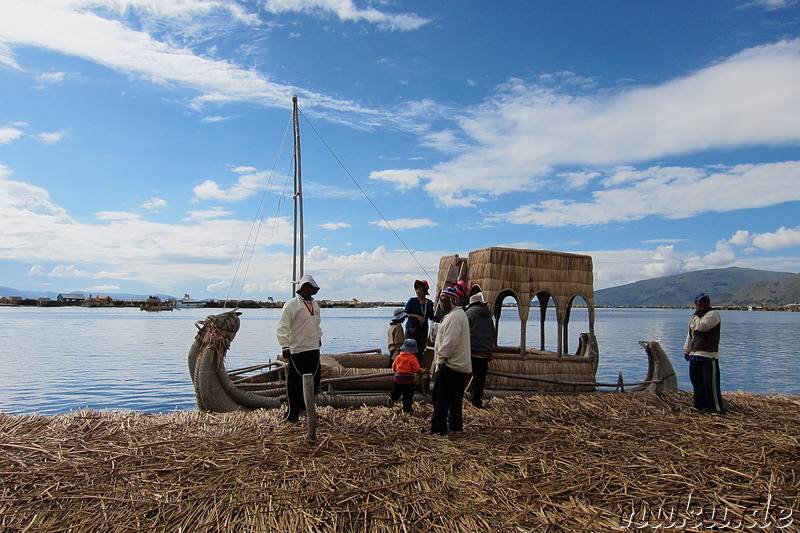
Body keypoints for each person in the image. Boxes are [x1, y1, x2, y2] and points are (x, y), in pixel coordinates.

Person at [276, 274, 322, 423]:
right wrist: (285, 345)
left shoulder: (315, 306)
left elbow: (317, 324)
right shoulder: (292, 305)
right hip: (297, 350)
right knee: (295, 384)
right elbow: (283, 326)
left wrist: (319, 338)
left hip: (313, 348)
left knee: (314, 381)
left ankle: (306, 408)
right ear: (301, 288)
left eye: (312, 288)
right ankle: (292, 413)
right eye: (306, 287)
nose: (309, 290)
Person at [429, 286, 472, 435]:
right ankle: (456, 427)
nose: (442, 304)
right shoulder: (458, 315)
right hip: (460, 365)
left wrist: (440, 359)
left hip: (452, 365)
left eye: (445, 300)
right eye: (441, 300)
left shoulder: (454, 318)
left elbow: (450, 342)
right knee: (454, 400)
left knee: (440, 398)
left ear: (453, 301)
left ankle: (438, 429)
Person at [683, 292, 723, 415]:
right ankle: (699, 405)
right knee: (697, 382)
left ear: (708, 303)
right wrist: (687, 350)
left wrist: (695, 316)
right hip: (695, 354)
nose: (702, 304)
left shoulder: (713, 315)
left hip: (708, 355)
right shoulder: (696, 318)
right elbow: (690, 335)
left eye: (705, 301)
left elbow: (701, 327)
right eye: (700, 301)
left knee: (710, 383)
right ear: (696, 303)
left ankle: (715, 408)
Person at [465, 292, 494, 408]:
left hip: (472, 351)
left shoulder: (469, 314)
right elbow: (493, 333)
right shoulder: (488, 316)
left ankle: (460, 397)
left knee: (463, 375)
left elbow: (463, 329)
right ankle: (477, 401)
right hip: (484, 352)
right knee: (480, 379)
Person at [404, 280, 437, 358]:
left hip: (423, 330)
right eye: (417, 289)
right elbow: (405, 313)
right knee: (409, 349)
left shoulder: (429, 303)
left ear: (425, 291)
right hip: (412, 329)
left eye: (420, 289)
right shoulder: (412, 301)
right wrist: (417, 316)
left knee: (420, 349)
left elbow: (431, 317)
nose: (418, 291)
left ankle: (418, 366)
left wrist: (443, 319)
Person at [389, 338, 422, 413]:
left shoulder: (399, 357)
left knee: (397, 390)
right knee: (408, 395)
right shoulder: (412, 358)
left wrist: (397, 371)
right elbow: (416, 369)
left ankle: (392, 398)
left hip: (398, 378)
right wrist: (417, 371)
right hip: (408, 380)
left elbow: (394, 366)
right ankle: (407, 409)